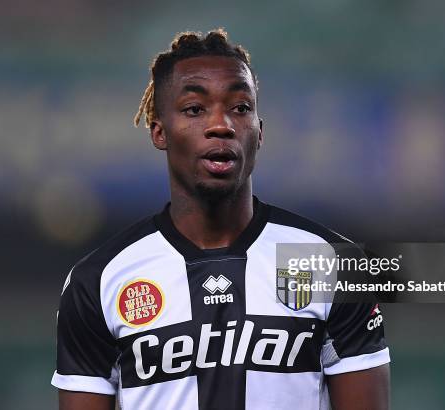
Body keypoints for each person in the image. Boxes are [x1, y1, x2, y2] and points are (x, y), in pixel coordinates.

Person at [51, 28, 390, 410]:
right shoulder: (98, 280)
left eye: (241, 108)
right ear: (159, 132)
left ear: (259, 132)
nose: (222, 125)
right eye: (195, 109)